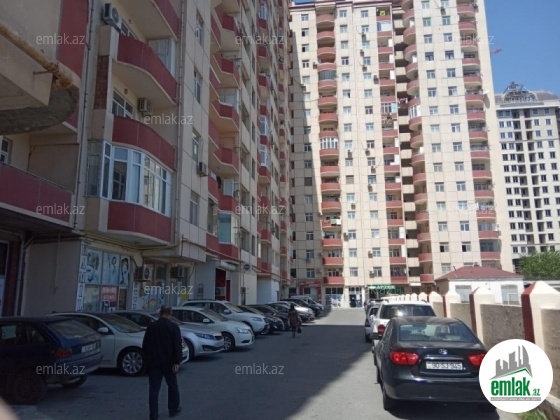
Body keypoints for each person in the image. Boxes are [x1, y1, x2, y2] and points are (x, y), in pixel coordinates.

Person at [142, 305, 183, 419]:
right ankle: (173, 408)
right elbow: (177, 346)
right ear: (170, 313)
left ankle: (153, 414)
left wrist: (149, 358)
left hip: (154, 362)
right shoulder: (173, 327)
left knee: (154, 389)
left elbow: (145, 345)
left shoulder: (152, 327)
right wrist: (177, 362)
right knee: (172, 386)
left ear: (160, 312)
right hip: (169, 362)